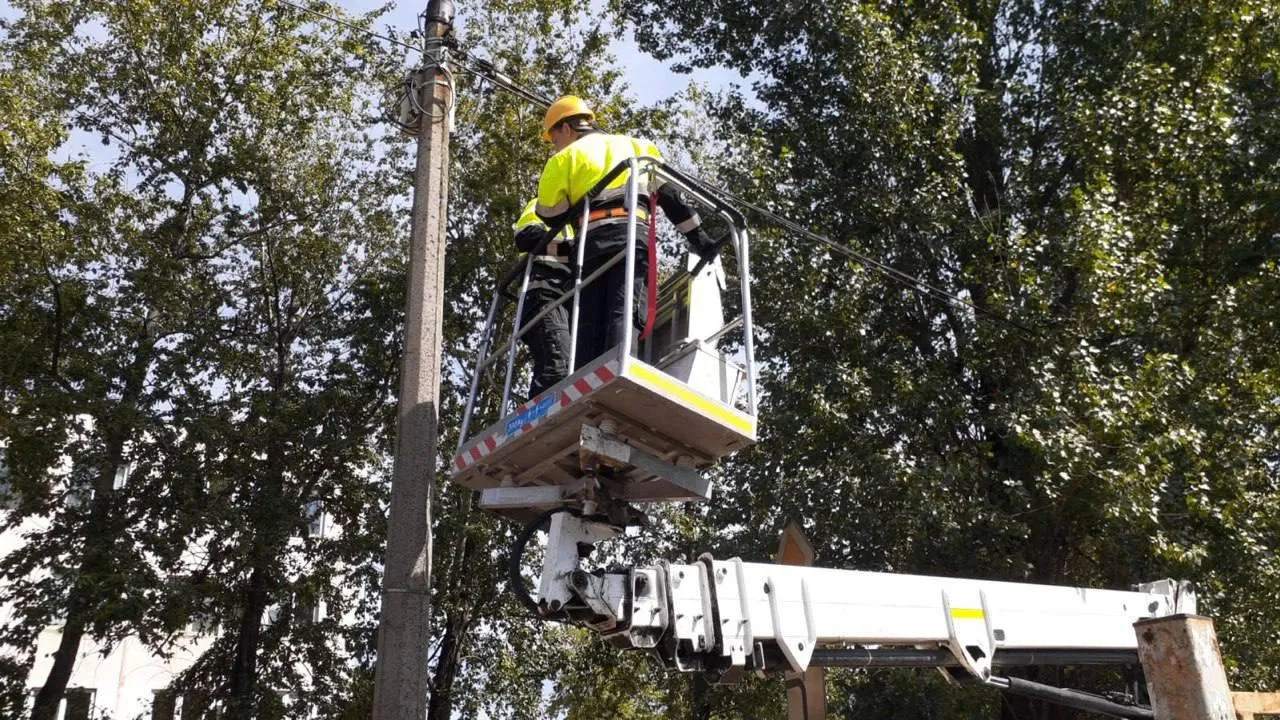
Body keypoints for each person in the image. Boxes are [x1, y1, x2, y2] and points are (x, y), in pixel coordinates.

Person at [534, 95, 716, 369]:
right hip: (632, 237)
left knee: (587, 319)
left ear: (567, 129)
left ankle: (587, 376)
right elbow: (671, 197)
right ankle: (620, 369)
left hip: (591, 245)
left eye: (554, 137)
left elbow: (549, 213)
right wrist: (698, 237)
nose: (555, 144)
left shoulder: (564, 158)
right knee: (625, 308)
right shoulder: (637, 146)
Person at [512, 198, 573, 397]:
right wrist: (572, 249)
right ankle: (541, 420)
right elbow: (526, 236)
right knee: (558, 369)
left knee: (559, 366)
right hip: (544, 295)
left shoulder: (579, 219)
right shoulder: (545, 204)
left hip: (562, 300)